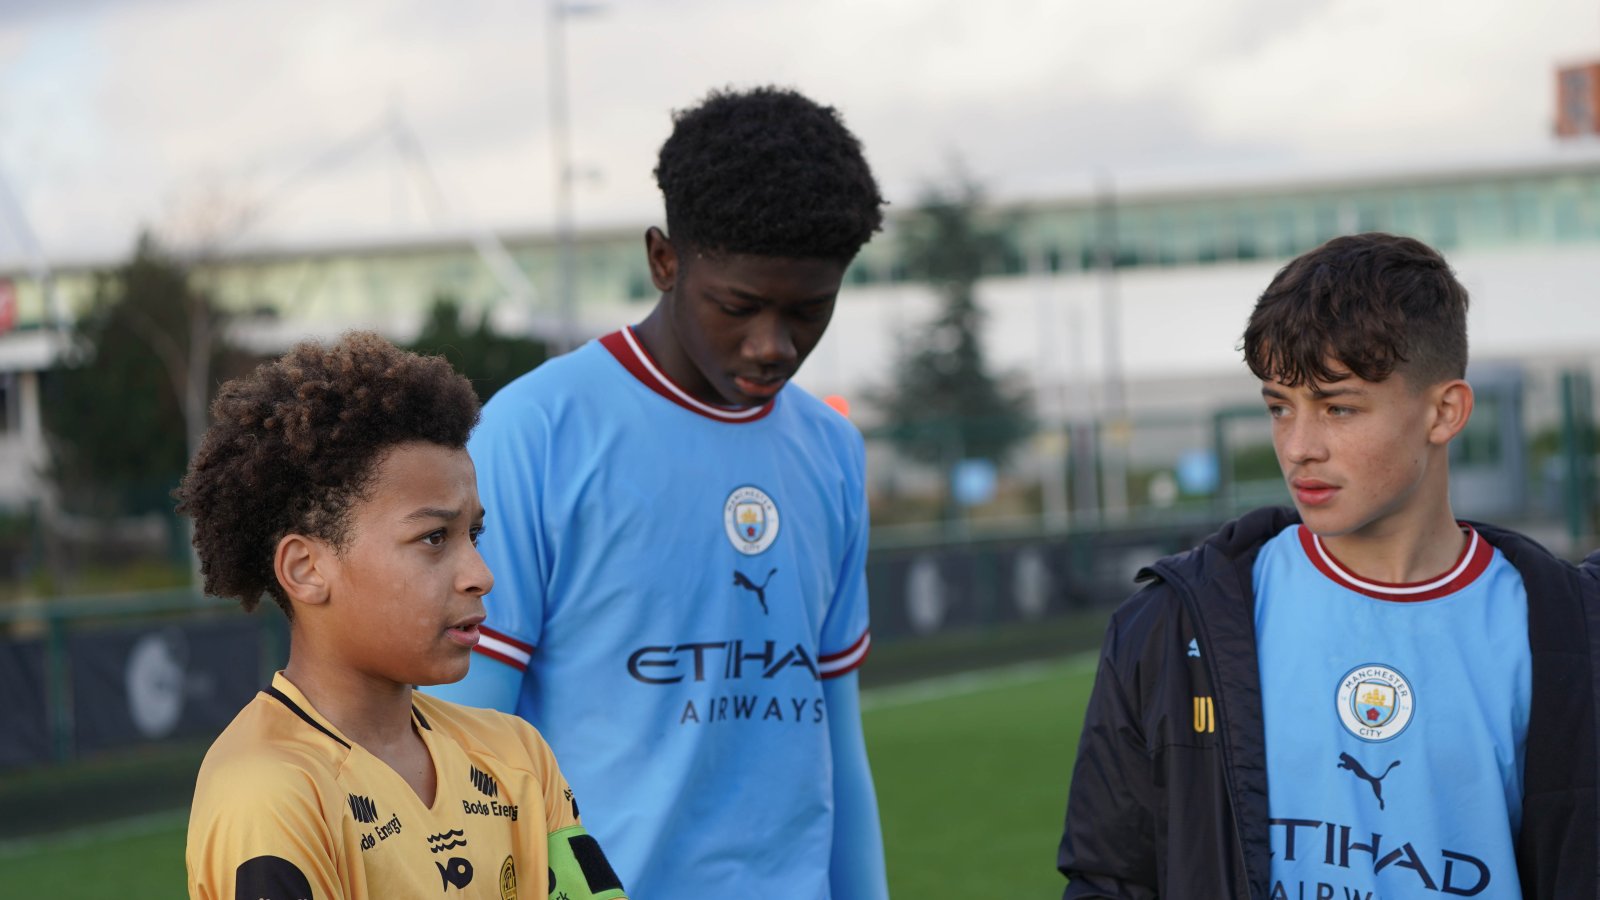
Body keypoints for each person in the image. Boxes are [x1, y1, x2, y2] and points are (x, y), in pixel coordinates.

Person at [424, 86, 889, 898]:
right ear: (665, 260)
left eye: (809, 311)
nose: (774, 345)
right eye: (739, 306)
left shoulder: (832, 451)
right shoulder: (536, 432)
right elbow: (468, 744)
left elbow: (837, 739)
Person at [1057, 233, 1600, 899]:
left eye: (1338, 407)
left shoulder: (1567, 633)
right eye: (1279, 408)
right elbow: (1110, 878)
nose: (1298, 447)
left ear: (1444, 412)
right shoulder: (1172, 626)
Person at [178, 332, 625, 900]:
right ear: (306, 569)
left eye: (474, 535)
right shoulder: (270, 790)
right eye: (434, 537)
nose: (480, 574)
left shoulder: (516, 754)